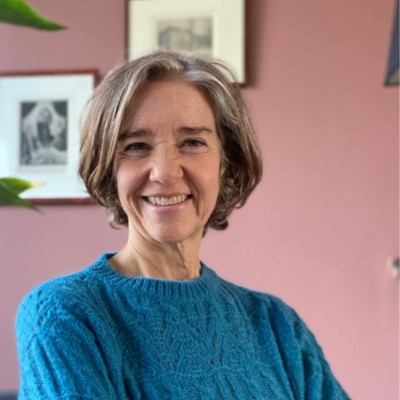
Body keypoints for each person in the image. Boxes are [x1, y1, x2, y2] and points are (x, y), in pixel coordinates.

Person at [16, 52, 350, 399]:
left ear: (226, 162)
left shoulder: (277, 325)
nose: (164, 172)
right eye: (137, 146)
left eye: (192, 143)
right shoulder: (64, 314)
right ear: (108, 169)